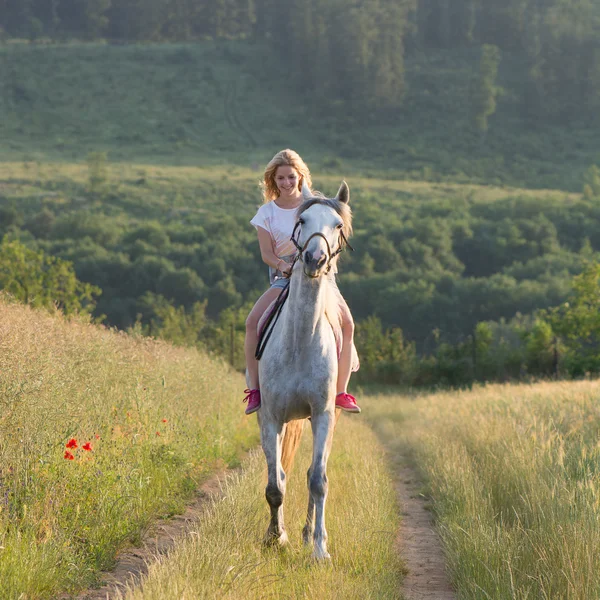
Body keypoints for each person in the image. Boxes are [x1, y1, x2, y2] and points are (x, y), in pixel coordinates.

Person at [243, 149, 361, 415]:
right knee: (252, 322)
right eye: (280, 178)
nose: (286, 183)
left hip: (322, 279)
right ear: (272, 181)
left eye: (291, 177)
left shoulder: (313, 205)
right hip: (285, 278)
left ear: (300, 178)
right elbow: (266, 254)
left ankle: (341, 392)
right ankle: (255, 389)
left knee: (347, 324)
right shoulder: (266, 213)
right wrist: (284, 266)